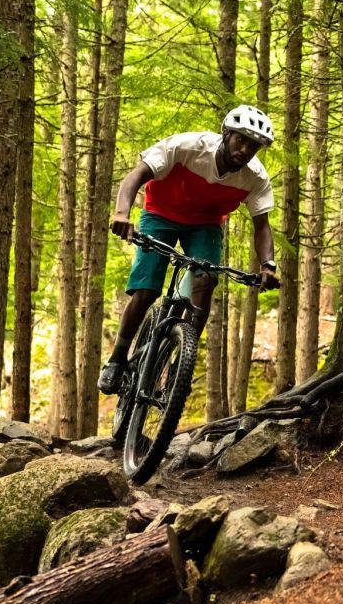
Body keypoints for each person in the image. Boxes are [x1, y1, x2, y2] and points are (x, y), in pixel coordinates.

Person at [98, 104, 280, 395]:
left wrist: (268, 265)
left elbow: (262, 225)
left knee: (204, 283)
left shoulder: (255, 177)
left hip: (205, 225)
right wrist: (122, 213)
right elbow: (135, 176)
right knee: (146, 289)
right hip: (159, 215)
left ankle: (180, 362)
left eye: (253, 146)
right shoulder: (187, 146)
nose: (245, 150)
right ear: (226, 133)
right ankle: (117, 359)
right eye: (240, 140)